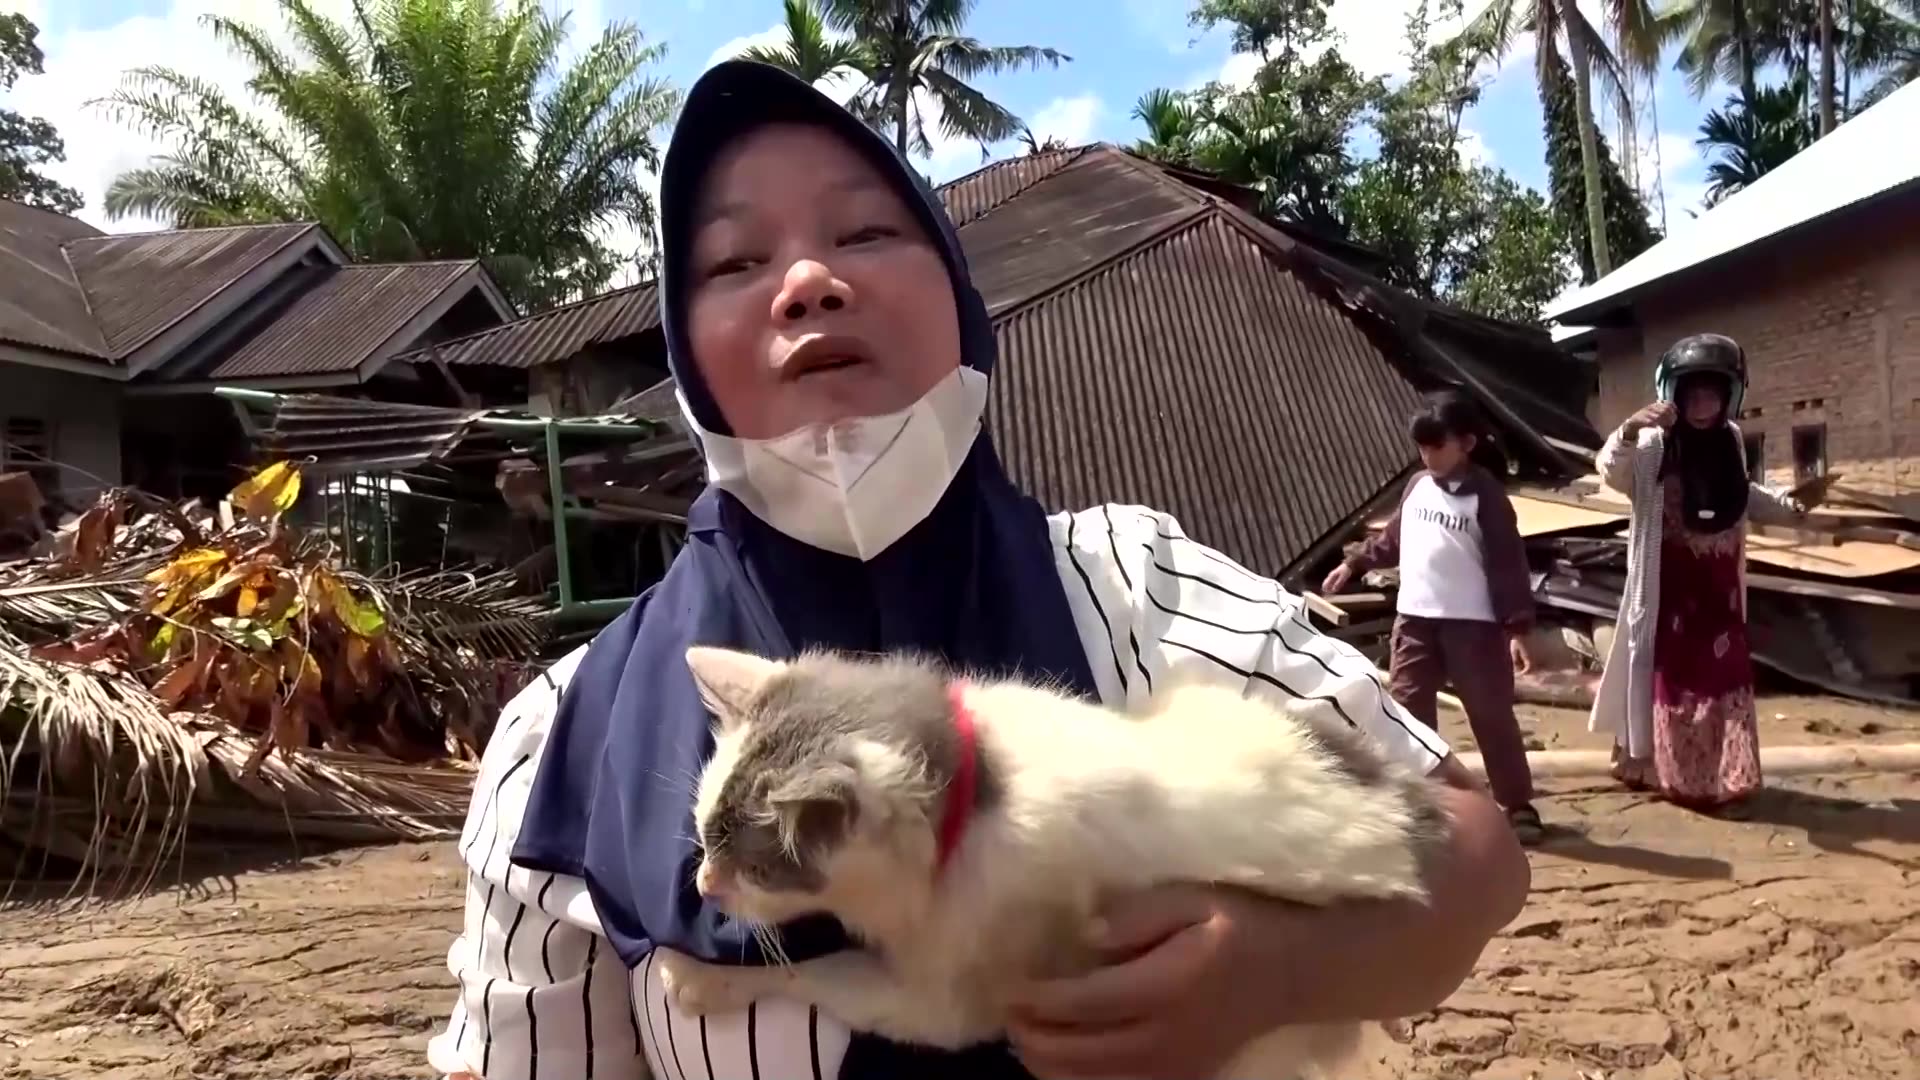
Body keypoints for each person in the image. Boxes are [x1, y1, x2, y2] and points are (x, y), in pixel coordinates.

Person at [426, 60, 1530, 1080]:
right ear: (684, 355)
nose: (807, 281)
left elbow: (1474, 850)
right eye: (734, 261)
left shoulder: (1136, 590)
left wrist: (1289, 965)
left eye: (864, 234)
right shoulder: (564, 741)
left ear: (958, 302)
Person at [1588, 333, 1805, 815]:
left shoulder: (1731, 440)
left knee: (1725, 681)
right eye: (1693, 393)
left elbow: (1741, 494)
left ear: (1729, 395)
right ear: (1675, 393)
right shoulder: (1651, 444)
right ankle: (1682, 782)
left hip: (1720, 590)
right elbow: (1610, 471)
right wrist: (1625, 431)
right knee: (1677, 683)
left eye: (1712, 393)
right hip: (1669, 589)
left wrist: (1792, 507)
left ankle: (1729, 779)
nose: (1702, 403)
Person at [1321, 390, 1544, 846]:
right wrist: (1355, 563)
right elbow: (1394, 538)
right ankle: (1418, 801)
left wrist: (1516, 628)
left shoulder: (1487, 496)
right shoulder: (1418, 486)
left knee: (1490, 714)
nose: (1428, 456)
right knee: (1406, 710)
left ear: (1467, 442)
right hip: (1415, 622)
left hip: (1473, 627)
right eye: (1422, 448)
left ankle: (1517, 803)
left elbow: (1507, 563)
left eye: (1436, 446)